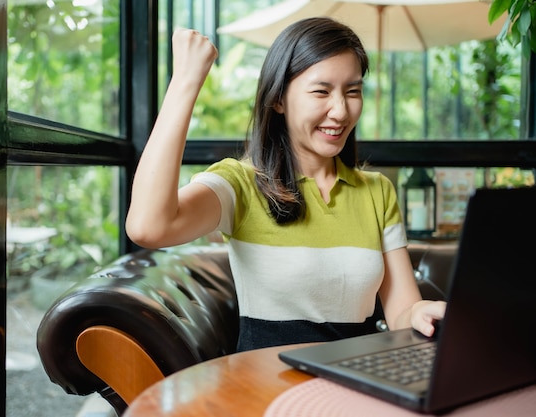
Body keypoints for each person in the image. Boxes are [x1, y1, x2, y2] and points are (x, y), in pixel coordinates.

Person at [126, 17, 446, 352]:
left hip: (354, 382)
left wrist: (422, 311)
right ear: (278, 100)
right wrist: (185, 82)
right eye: (321, 91)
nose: (340, 111)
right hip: (266, 388)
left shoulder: (377, 191)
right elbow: (148, 227)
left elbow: (402, 312)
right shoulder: (241, 185)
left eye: (353, 91)